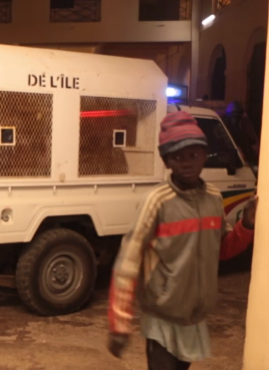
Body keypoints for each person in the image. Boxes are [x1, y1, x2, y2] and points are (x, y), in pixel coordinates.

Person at [107, 111, 258, 370]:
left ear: (204, 155)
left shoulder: (213, 199)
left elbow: (220, 250)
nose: (187, 162)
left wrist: (247, 225)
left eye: (193, 154)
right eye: (177, 156)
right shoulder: (156, 202)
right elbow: (128, 262)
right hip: (161, 319)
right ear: (166, 161)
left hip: (193, 320)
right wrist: (119, 323)